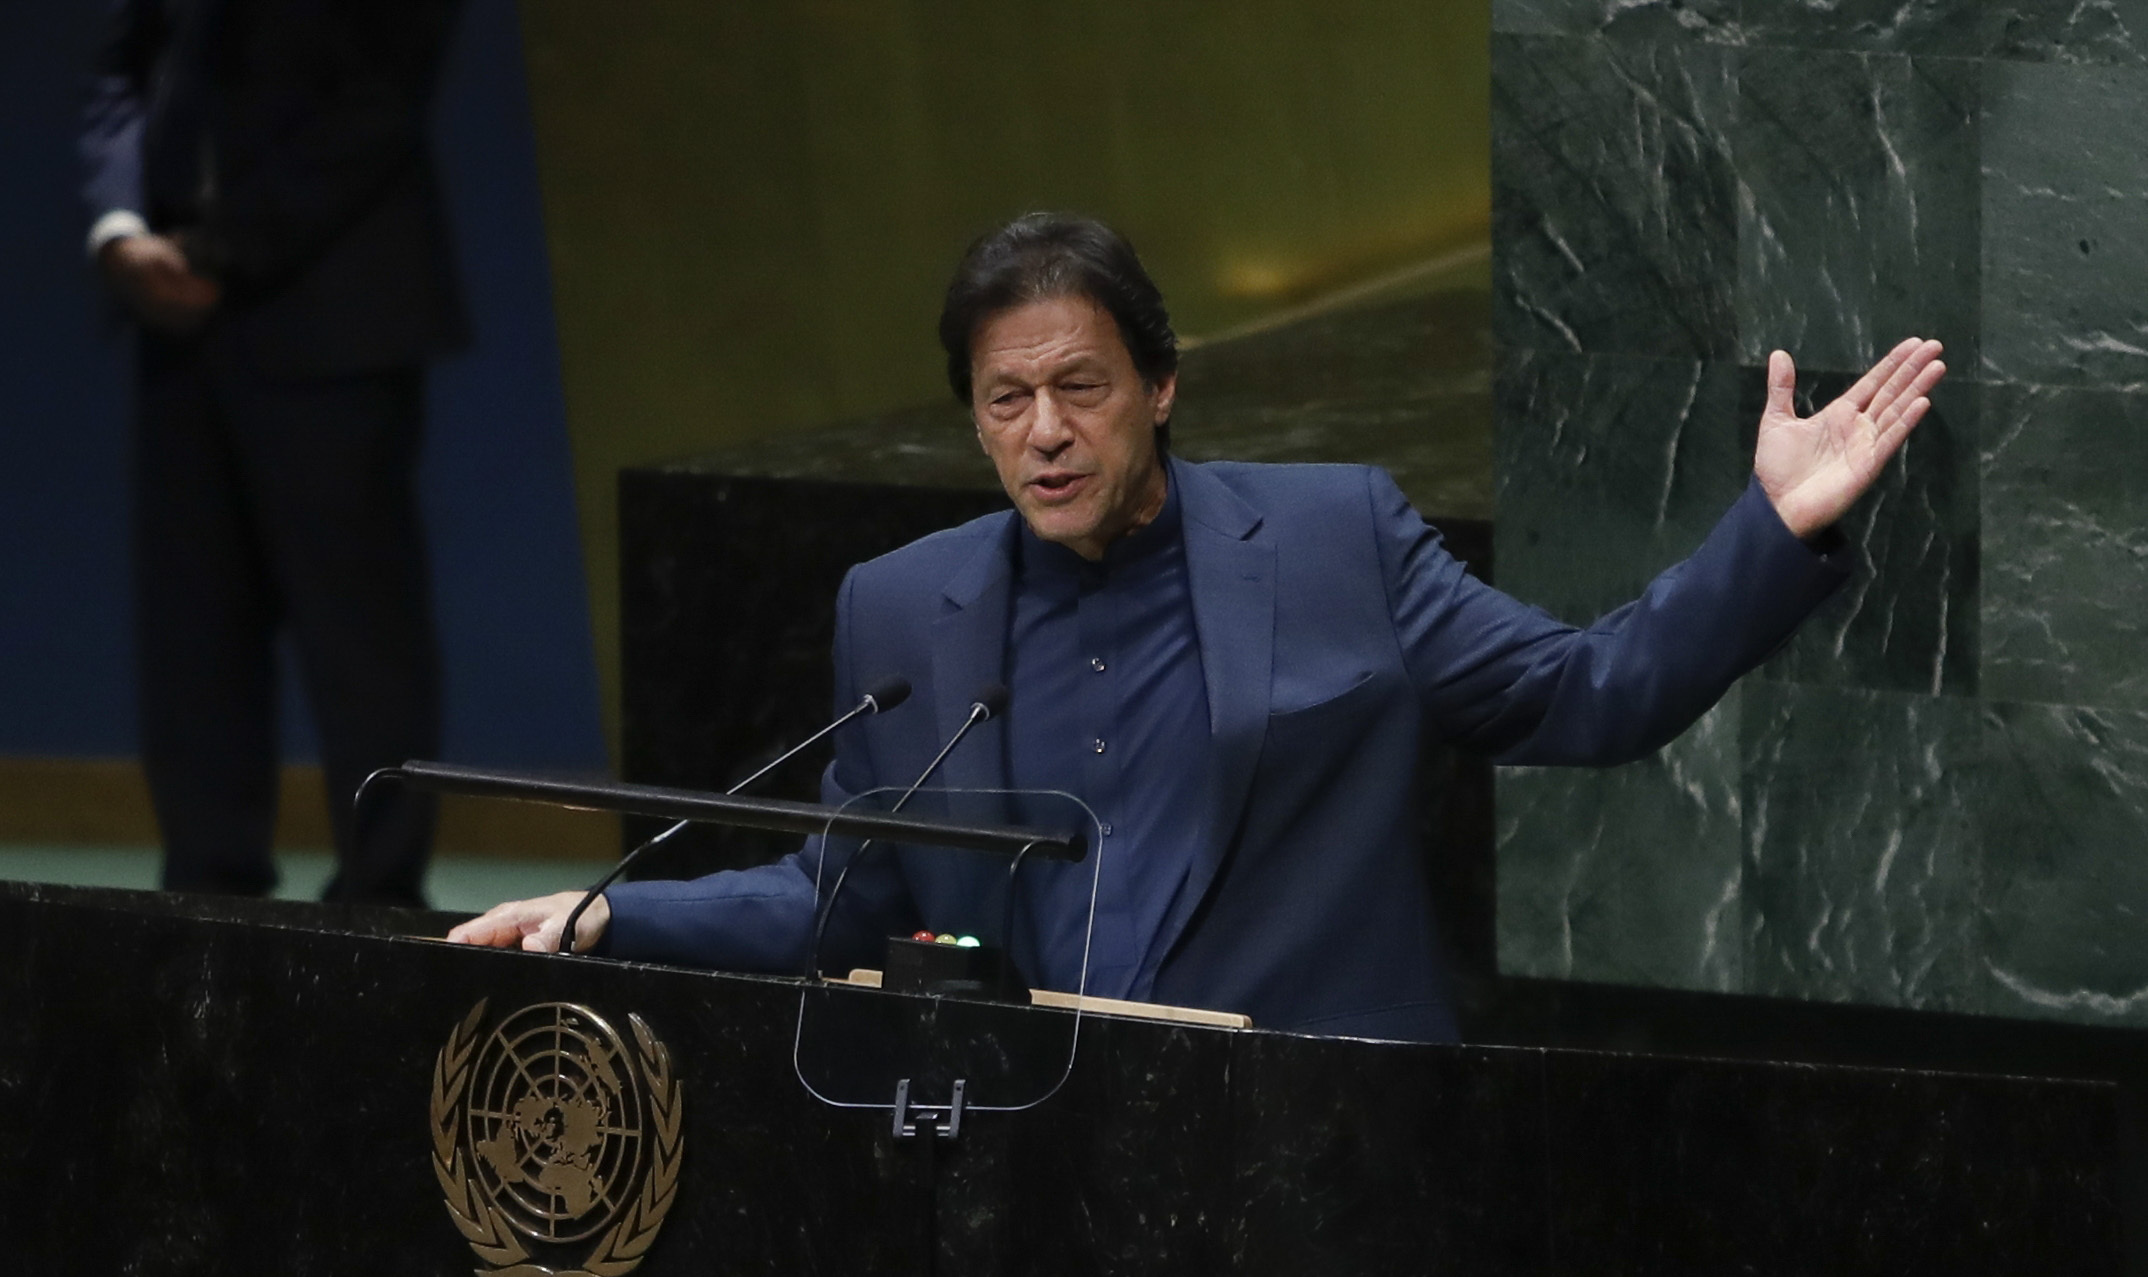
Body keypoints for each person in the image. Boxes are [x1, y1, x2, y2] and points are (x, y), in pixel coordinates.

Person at [451, 213, 1944, 1042]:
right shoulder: (904, 607)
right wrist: (609, 915)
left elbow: (1593, 694)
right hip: (1045, 1153)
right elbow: (840, 898)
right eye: (1004, 400)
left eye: (1079, 388)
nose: (1044, 432)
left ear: (1160, 386)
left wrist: (1778, 526)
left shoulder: (1331, 538)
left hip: (1319, 1146)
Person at [81, 0, 467, 903]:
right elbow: (124, 66)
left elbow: (380, 100)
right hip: (175, 329)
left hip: (334, 317)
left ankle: (380, 909)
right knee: (193, 640)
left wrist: (220, 249)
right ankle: (208, 906)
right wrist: (117, 230)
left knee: (363, 644)